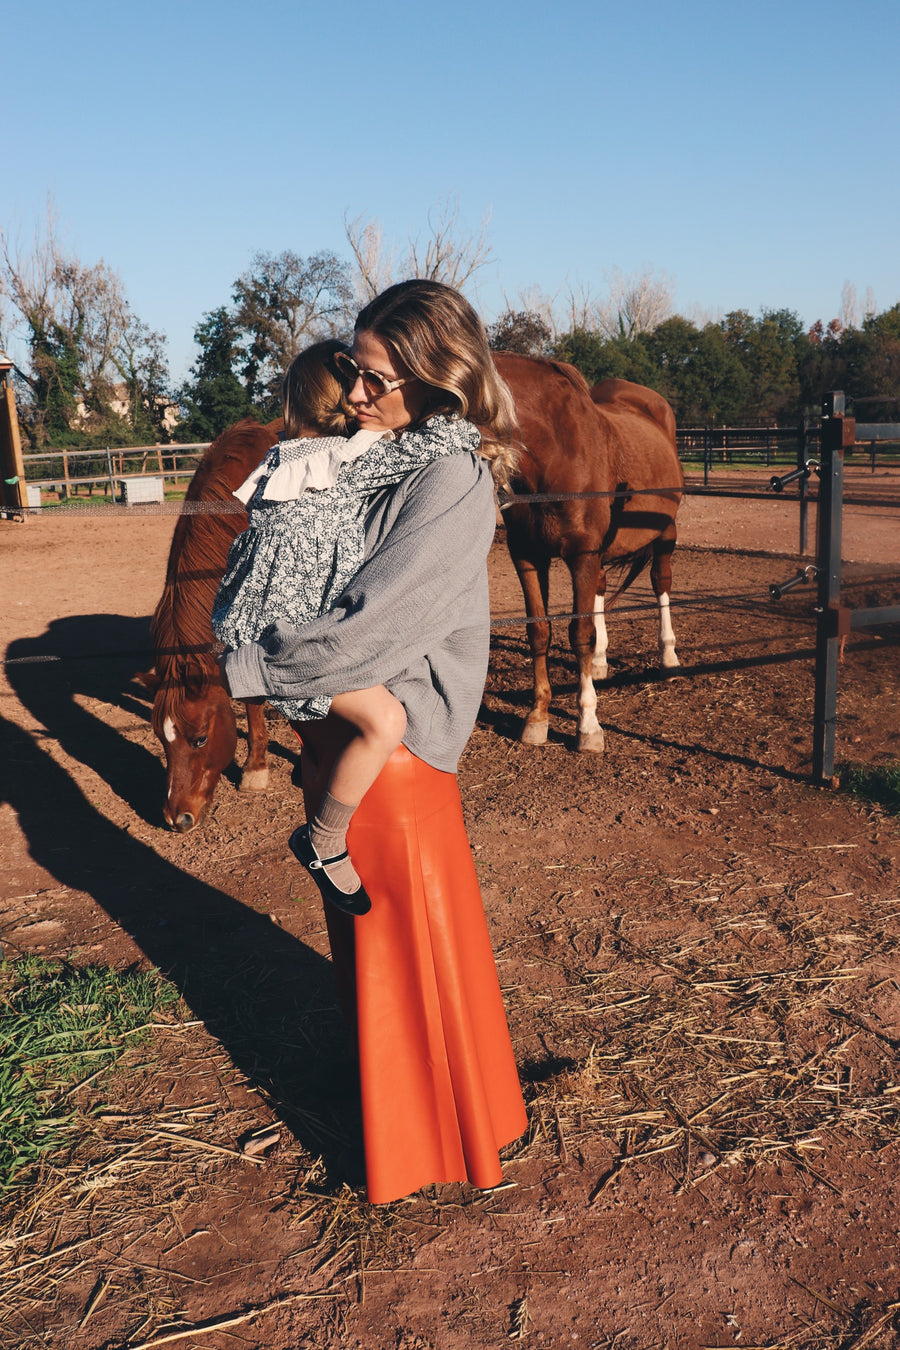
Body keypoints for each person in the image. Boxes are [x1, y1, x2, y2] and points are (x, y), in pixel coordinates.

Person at [222, 279, 528, 1205]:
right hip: (342, 728)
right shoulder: (386, 457)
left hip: (391, 750)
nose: (355, 393)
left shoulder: (450, 476)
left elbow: (375, 625)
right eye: (356, 372)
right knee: (387, 950)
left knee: (404, 947)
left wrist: (254, 665)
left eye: (377, 379)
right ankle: (440, 1122)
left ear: (441, 382)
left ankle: (424, 1147)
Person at [211, 340, 481, 915]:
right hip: (288, 626)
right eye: (359, 385)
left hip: (266, 617)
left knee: (340, 734)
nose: (365, 397)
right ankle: (324, 839)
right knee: (385, 718)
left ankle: (319, 804)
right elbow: (415, 450)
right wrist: (464, 432)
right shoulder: (341, 460)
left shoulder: (289, 459)